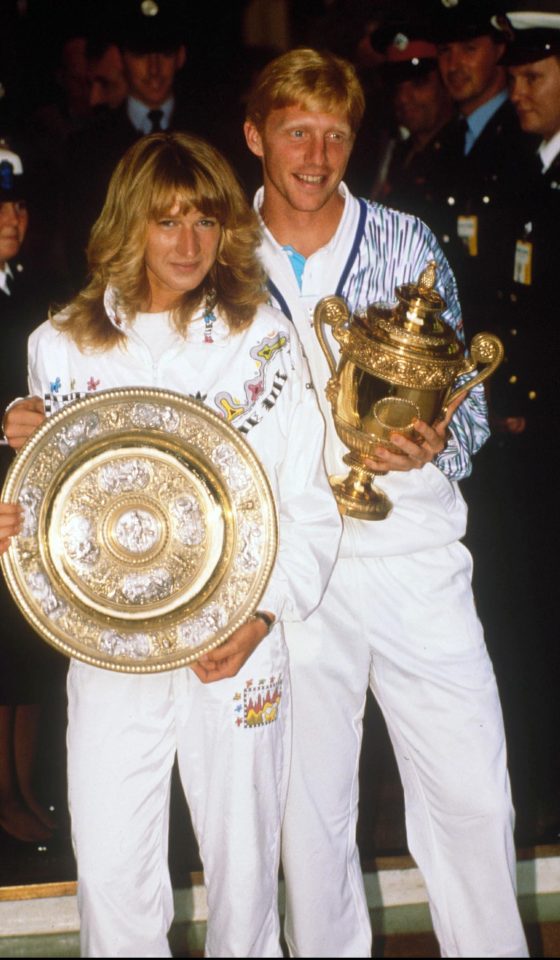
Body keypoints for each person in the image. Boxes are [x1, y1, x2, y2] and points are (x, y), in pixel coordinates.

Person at [1, 131, 341, 957]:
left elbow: (309, 503)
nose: (188, 244)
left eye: (204, 221)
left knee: (246, 878)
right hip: (109, 653)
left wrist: (259, 617)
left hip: (238, 646)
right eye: (167, 222)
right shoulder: (59, 346)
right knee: (113, 877)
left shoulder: (263, 338)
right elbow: (47, 517)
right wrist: (12, 502)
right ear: (129, 226)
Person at [243, 47, 529, 958]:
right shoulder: (216, 249)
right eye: (297, 131)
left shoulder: (407, 240)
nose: (317, 155)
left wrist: (434, 440)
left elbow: (470, 404)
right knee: (311, 814)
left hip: (411, 551)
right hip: (291, 568)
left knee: (474, 792)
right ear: (256, 137)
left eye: (335, 134)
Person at [0, 145, 63, 843]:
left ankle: (21, 789)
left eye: (16, 205)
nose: (11, 217)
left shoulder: (33, 291)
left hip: (29, 499)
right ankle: (3, 797)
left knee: (26, 651)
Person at [369, 25, 455, 214]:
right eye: (397, 87)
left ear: (446, 85)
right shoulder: (398, 152)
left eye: (419, 83)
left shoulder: (459, 153)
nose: (403, 98)